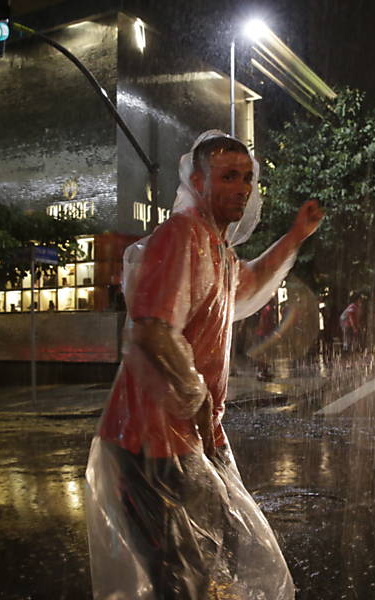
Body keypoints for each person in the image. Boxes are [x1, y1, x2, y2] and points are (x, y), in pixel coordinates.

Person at [84, 130, 323, 600]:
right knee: (182, 572)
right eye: (228, 176)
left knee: (201, 561)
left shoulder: (215, 248)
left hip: (184, 436)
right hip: (147, 441)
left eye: (248, 178)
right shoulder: (181, 236)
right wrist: (195, 397)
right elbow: (153, 330)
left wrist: (296, 235)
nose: (242, 187)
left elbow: (249, 285)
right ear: (197, 180)